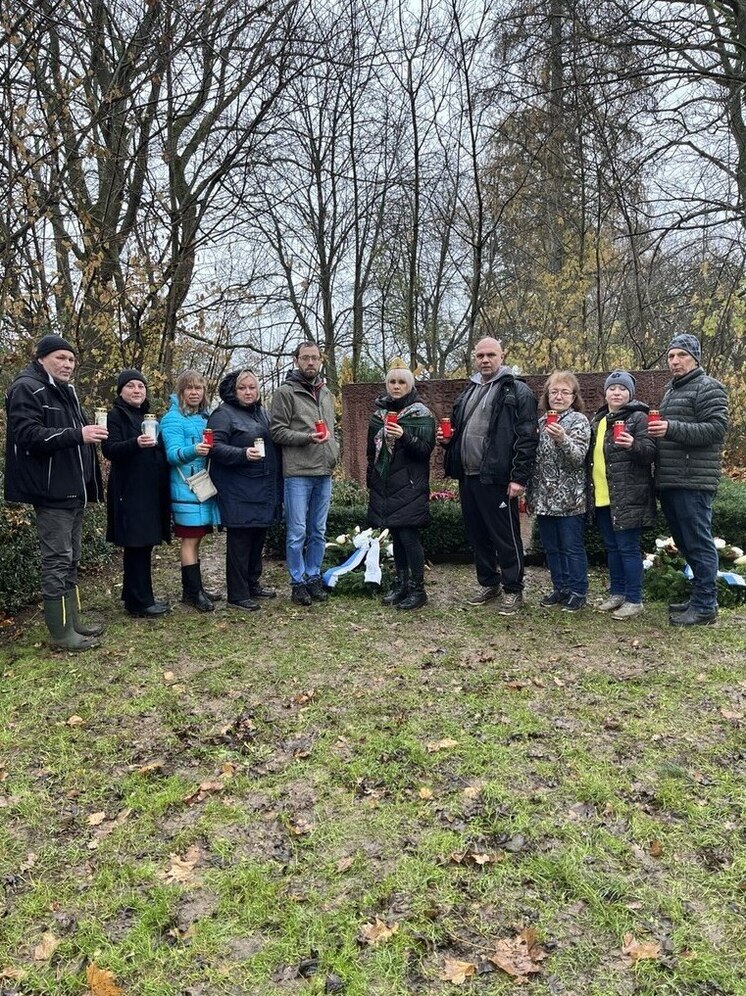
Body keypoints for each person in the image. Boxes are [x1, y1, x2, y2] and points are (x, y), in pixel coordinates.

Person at [4, 335, 107, 650]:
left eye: (71, 359)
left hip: (73, 491)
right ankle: (61, 634)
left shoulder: (65, 391)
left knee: (71, 558)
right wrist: (77, 434)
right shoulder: (27, 388)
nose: (68, 364)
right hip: (51, 493)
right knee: (57, 560)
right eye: (60, 357)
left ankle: (72, 622)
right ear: (41, 359)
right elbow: (28, 435)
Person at [438, 337, 538, 614]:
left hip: (498, 477)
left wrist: (519, 477)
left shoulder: (517, 391)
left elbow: (527, 438)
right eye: (480, 355)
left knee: (505, 535)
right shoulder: (468, 390)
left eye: (490, 355)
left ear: (502, 356)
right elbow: (458, 429)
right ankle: (488, 582)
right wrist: (448, 442)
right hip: (468, 475)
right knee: (477, 534)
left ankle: (513, 588)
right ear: (474, 358)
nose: (485, 360)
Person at [648, 334, 729, 626]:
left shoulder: (709, 387)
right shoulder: (672, 390)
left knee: (698, 542)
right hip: (672, 479)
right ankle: (698, 598)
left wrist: (670, 428)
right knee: (685, 542)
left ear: (695, 358)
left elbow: (716, 429)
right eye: (671, 356)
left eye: (681, 355)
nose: (675, 361)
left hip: (693, 480)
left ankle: (706, 605)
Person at [269, 341, 339, 606]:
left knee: (318, 531)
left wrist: (334, 452)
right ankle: (297, 582)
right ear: (296, 360)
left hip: (324, 471)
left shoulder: (326, 392)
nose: (311, 362)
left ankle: (313, 577)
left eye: (315, 358)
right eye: (306, 358)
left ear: (321, 361)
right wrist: (307, 437)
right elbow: (277, 431)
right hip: (298, 472)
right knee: (297, 531)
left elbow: (332, 428)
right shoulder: (285, 392)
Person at [209, 369, 282, 611]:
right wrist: (242, 454)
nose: (248, 392)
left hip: (262, 487)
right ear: (234, 390)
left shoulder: (262, 412)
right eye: (242, 388)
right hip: (238, 489)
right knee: (240, 541)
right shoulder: (223, 414)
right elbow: (213, 447)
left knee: (258, 537)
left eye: (252, 387)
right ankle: (238, 594)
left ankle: (252, 583)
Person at [102, 370, 171, 617]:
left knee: (144, 545)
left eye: (141, 386)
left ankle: (135, 596)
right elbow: (109, 449)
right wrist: (136, 443)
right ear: (121, 391)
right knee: (136, 544)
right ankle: (140, 602)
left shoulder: (148, 416)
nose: (137, 390)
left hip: (150, 490)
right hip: (129, 490)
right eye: (130, 386)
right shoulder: (115, 416)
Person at [587, 371, 655, 620]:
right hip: (602, 495)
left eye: (622, 389)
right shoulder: (599, 419)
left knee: (628, 548)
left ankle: (634, 599)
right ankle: (617, 593)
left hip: (628, 494)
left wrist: (632, 445)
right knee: (612, 548)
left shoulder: (638, 417)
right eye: (612, 388)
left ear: (631, 394)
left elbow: (650, 452)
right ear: (605, 393)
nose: (617, 393)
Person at [367, 367, 435, 610]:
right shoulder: (379, 415)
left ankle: (418, 589)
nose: (396, 386)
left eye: (402, 382)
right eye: (392, 382)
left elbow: (425, 450)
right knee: (396, 534)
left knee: (409, 537)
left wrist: (404, 435)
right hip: (385, 484)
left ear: (410, 386)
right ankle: (402, 584)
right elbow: (371, 454)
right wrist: (371, 480)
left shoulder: (421, 414)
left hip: (410, 485)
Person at [528, 371, 591, 612]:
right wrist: (531, 494)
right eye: (554, 392)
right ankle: (560, 587)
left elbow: (578, 458)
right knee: (551, 548)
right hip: (544, 498)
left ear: (574, 397)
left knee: (571, 547)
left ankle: (578, 591)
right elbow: (535, 463)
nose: (559, 396)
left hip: (570, 499)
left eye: (565, 392)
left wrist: (563, 439)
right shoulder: (541, 422)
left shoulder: (579, 421)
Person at [160, 370, 222, 612]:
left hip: (202, 487)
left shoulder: (204, 417)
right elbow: (172, 455)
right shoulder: (172, 419)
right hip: (185, 487)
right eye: (190, 388)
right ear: (181, 391)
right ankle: (192, 592)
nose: (195, 392)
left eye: (199, 388)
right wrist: (195, 449)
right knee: (190, 539)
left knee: (198, 539)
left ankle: (196, 588)